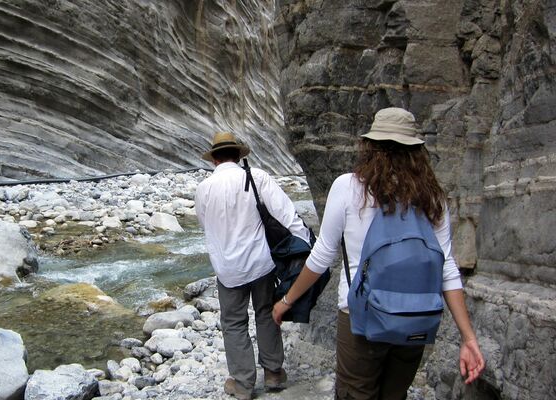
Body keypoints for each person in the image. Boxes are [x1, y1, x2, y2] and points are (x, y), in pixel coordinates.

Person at [271, 107, 485, 399]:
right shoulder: (433, 197)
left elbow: (322, 256)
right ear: (416, 151)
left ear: (370, 146)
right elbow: (446, 268)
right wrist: (468, 337)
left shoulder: (348, 187)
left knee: (356, 394)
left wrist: (286, 300)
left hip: (361, 317)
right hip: (415, 318)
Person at [195, 131, 312, 400]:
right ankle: (273, 373)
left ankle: (243, 384)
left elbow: (205, 223)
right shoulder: (256, 177)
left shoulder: (204, 188)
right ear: (238, 156)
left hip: (227, 268)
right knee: (266, 313)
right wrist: (306, 242)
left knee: (234, 322)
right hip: (261, 263)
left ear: (214, 159)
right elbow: (286, 213)